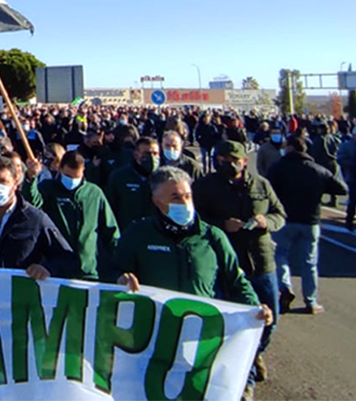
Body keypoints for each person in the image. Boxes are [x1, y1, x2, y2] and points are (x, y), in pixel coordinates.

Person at [113, 166, 272, 401]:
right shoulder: (138, 235)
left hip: (199, 343)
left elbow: (236, 281)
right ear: (157, 201)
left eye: (187, 196)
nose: (184, 203)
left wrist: (254, 309)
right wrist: (120, 279)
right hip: (153, 343)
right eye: (175, 197)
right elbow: (113, 271)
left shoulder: (212, 237)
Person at [193, 140, 285, 388]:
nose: (229, 165)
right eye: (223, 160)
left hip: (260, 260)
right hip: (225, 262)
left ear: (244, 161)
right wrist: (222, 224)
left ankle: (254, 354)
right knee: (231, 320)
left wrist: (266, 221)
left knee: (270, 318)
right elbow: (195, 218)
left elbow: (279, 213)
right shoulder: (204, 186)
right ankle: (241, 376)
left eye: (234, 161)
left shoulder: (261, 185)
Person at [267, 135, 348, 315]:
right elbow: (341, 189)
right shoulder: (317, 170)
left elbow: (267, 190)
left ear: (289, 148)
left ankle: (284, 286)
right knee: (309, 262)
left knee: (279, 255)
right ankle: (311, 301)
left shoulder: (278, 169)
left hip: (285, 220)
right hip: (310, 220)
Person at [37, 151, 119, 281]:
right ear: (60, 169)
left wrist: (118, 267)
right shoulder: (47, 188)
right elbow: (34, 201)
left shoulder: (94, 193)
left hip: (87, 270)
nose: (72, 181)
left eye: (77, 176)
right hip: (54, 269)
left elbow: (110, 230)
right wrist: (30, 180)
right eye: (68, 176)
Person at [106, 136, 160, 230]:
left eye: (155, 154)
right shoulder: (119, 177)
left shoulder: (164, 178)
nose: (151, 157)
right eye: (146, 154)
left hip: (156, 234)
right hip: (127, 232)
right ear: (136, 155)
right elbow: (110, 208)